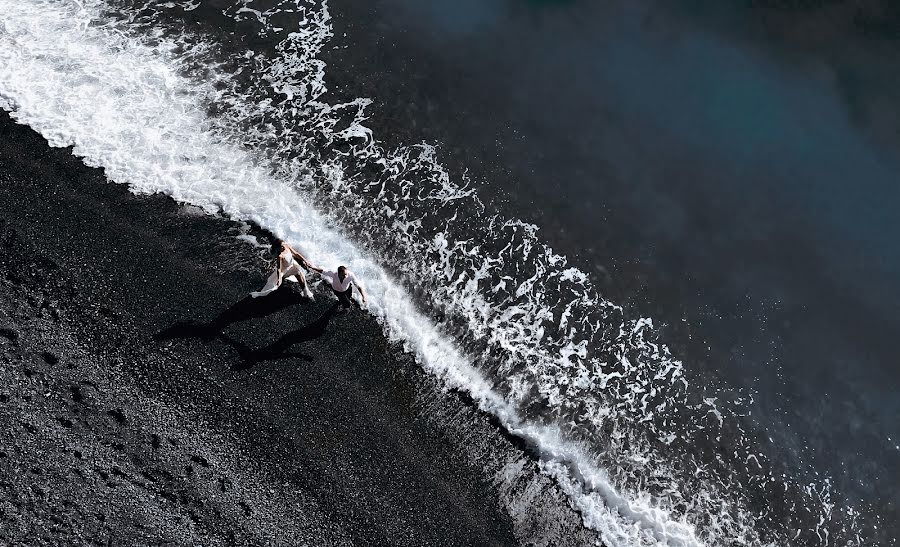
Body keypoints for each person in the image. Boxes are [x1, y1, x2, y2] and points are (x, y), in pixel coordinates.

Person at [250, 240, 314, 299]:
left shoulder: (286, 246)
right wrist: (279, 279)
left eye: (283, 245)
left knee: (300, 276)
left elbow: (296, 254)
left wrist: (305, 261)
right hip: (285, 269)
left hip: (293, 265)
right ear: (278, 248)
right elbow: (279, 268)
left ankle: (305, 294)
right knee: (276, 283)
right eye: (281, 247)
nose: (283, 247)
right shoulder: (280, 256)